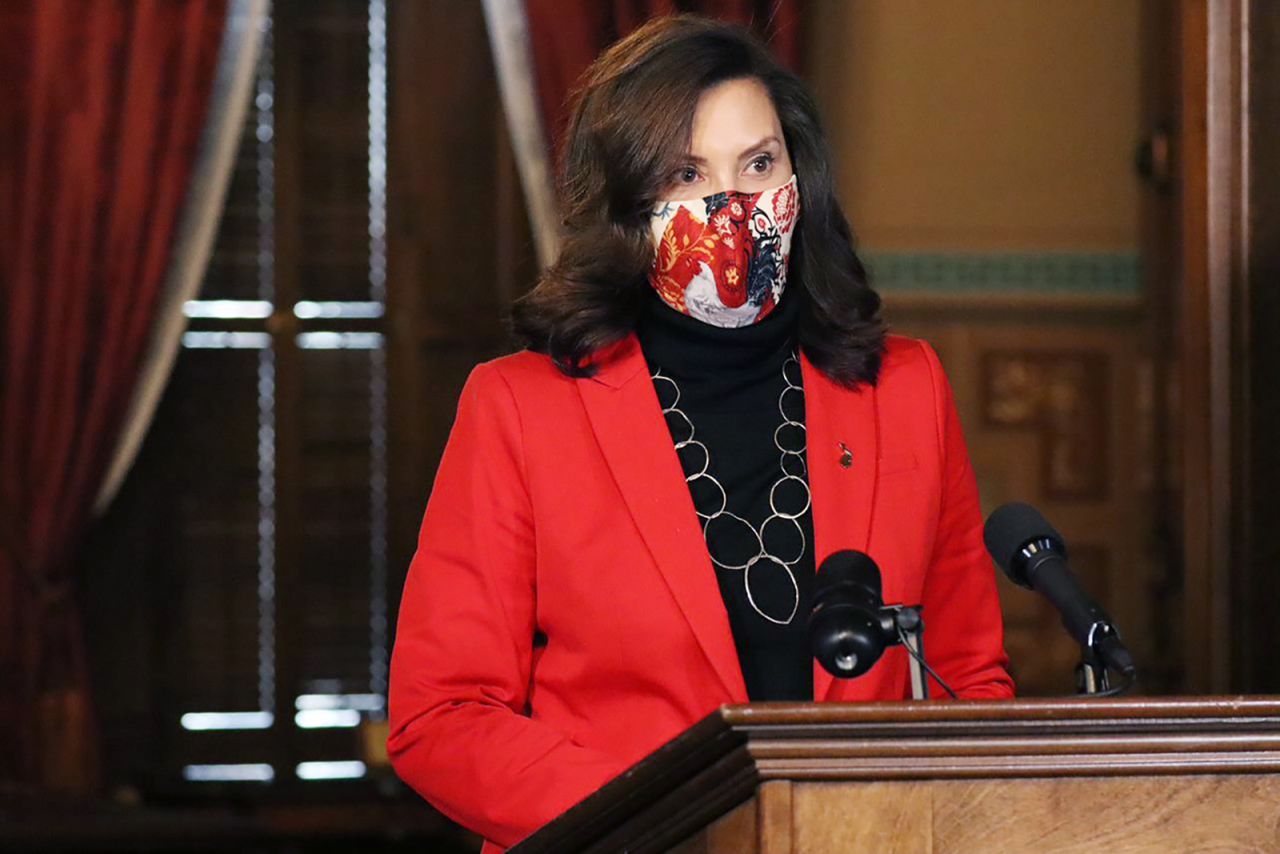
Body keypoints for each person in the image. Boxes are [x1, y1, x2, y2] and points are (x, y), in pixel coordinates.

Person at [387, 14, 1013, 852]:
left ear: (802, 176)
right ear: (626, 202)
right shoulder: (519, 409)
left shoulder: (907, 387)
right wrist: (673, 825)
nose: (733, 205)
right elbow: (442, 718)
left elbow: (970, 682)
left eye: (759, 163)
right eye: (687, 173)